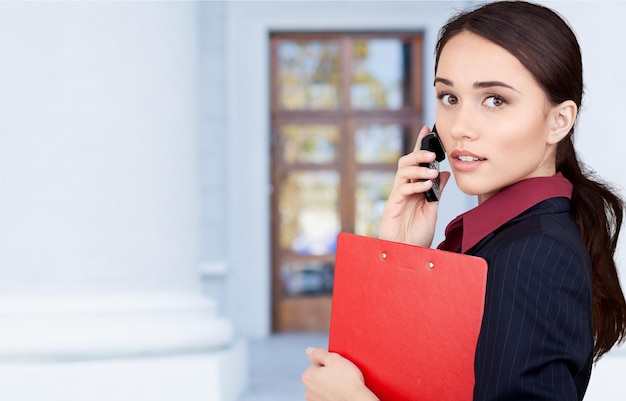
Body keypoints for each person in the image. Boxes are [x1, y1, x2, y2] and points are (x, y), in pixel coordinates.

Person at [302, 1, 626, 400]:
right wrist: (404, 256)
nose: (459, 128)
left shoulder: (535, 254)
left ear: (559, 120)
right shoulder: (495, 240)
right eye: (449, 98)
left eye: (495, 100)